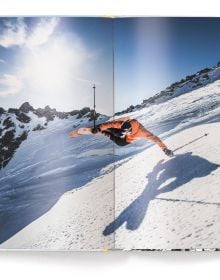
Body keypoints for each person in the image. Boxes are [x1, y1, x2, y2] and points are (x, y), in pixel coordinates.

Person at [69, 118, 173, 157]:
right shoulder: (122, 124)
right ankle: (108, 131)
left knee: (120, 143)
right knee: (115, 131)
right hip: (122, 131)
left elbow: (156, 139)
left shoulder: (143, 132)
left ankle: (108, 133)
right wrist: (99, 127)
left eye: (125, 130)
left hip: (129, 139)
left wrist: (164, 149)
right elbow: (110, 123)